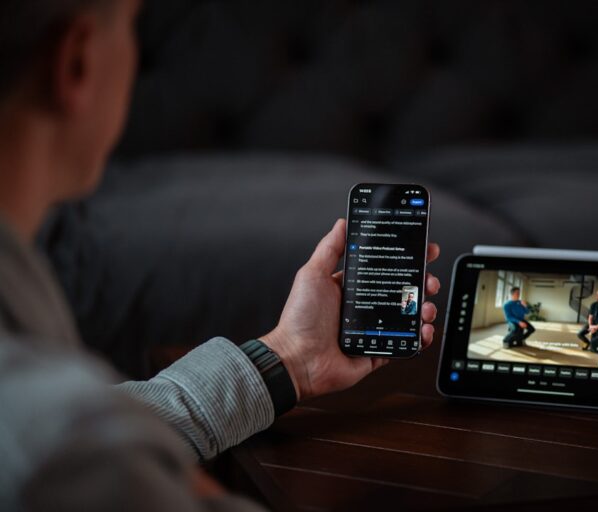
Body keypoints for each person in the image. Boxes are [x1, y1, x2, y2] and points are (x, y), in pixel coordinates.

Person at [0, 1, 442, 510]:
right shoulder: (63, 460)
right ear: (76, 62)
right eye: (130, 27)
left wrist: (290, 356)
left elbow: (100, 423)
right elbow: (73, 445)